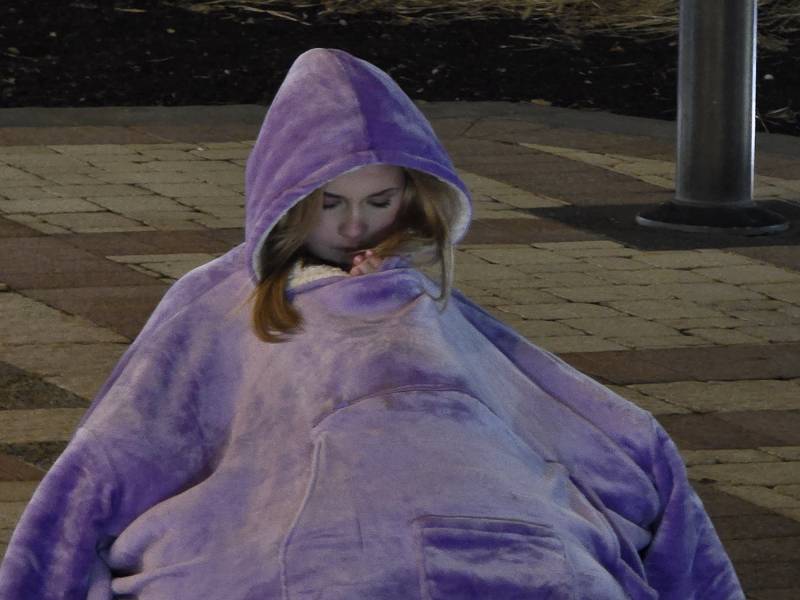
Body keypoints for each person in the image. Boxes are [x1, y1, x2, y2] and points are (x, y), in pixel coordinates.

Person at [0, 48, 744, 599]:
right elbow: (113, 452)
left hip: (484, 500)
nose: (355, 224)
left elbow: (573, 417)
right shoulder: (214, 301)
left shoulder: (430, 302)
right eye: (329, 203)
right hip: (294, 516)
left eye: (380, 201)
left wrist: (395, 302)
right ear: (289, 201)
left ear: (414, 198)